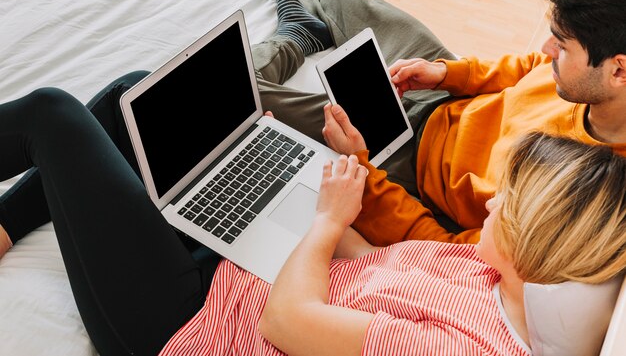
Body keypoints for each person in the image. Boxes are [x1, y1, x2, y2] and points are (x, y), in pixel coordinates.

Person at [1, 85, 626, 356]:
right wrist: (313, 183)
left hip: (183, 325)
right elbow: (370, 266)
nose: (489, 203)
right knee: (138, 98)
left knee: (52, 116)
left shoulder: (457, 348)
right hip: (246, 265)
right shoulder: (484, 271)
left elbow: (287, 321)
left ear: (534, 243)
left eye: (506, 204)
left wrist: (326, 220)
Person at [214, 0, 626, 246]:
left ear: (618, 70)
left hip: (409, 165)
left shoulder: (578, 193)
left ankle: (293, 34)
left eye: (563, 45)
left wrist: (362, 170)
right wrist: (449, 73)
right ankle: (294, 23)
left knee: (237, 87)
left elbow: (442, 250)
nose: (547, 51)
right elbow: (527, 68)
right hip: (444, 102)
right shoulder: (581, 81)